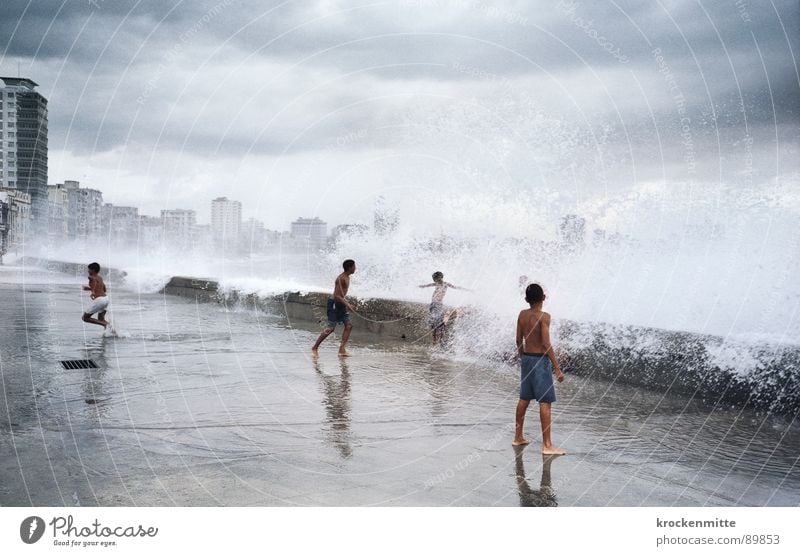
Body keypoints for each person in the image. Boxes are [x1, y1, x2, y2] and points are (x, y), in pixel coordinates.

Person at [513, 283, 565, 454]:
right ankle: (547, 445)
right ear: (543, 298)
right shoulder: (544, 317)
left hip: (527, 358)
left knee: (524, 398)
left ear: (526, 299)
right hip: (540, 361)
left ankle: (518, 437)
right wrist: (557, 368)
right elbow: (545, 343)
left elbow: (518, 339)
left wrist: (522, 355)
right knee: (545, 401)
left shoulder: (522, 314)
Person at [312, 259, 357, 357]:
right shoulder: (341, 278)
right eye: (354, 266)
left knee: (349, 325)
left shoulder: (347, 277)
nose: (355, 268)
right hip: (334, 304)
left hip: (341, 304)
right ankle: (314, 348)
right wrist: (348, 305)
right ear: (349, 267)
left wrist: (346, 304)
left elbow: (341, 295)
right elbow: (337, 295)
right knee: (331, 328)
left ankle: (342, 349)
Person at [418, 271, 468, 345]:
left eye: (435, 279)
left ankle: (440, 340)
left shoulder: (446, 284)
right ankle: (435, 341)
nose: (434, 280)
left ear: (440, 277)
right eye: (434, 279)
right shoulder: (436, 283)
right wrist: (422, 286)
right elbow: (427, 285)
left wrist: (466, 290)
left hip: (438, 305)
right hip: (433, 304)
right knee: (434, 323)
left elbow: (455, 287)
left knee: (440, 322)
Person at [82, 262, 110, 329]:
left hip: (100, 300)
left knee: (85, 318)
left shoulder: (91, 277)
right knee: (101, 319)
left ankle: (105, 325)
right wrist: (90, 289)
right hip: (106, 299)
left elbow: (94, 281)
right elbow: (104, 289)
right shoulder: (100, 278)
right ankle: (113, 329)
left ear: (93, 270)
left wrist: (93, 291)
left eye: (89, 269)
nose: (88, 271)